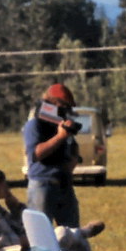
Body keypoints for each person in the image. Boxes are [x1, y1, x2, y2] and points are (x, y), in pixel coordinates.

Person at [23, 83, 82, 228]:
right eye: (65, 106)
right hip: (42, 184)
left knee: (72, 233)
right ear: (54, 103)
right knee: (40, 232)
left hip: (64, 183)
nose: (66, 111)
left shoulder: (59, 125)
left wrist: (74, 158)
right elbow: (36, 154)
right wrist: (60, 137)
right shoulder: (35, 124)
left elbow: (72, 145)